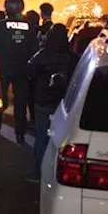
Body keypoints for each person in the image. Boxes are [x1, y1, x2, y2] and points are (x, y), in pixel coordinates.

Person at [28, 24, 77, 178]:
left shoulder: (41, 55)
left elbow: (30, 73)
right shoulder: (73, 58)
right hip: (64, 105)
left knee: (42, 136)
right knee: (63, 138)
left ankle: (39, 172)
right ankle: (58, 171)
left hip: (43, 102)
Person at [0, 0, 36, 143]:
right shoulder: (30, 26)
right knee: (20, 102)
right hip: (22, 70)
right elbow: (33, 50)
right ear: (21, 8)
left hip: (2, 68)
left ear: (6, 8)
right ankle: (20, 134)